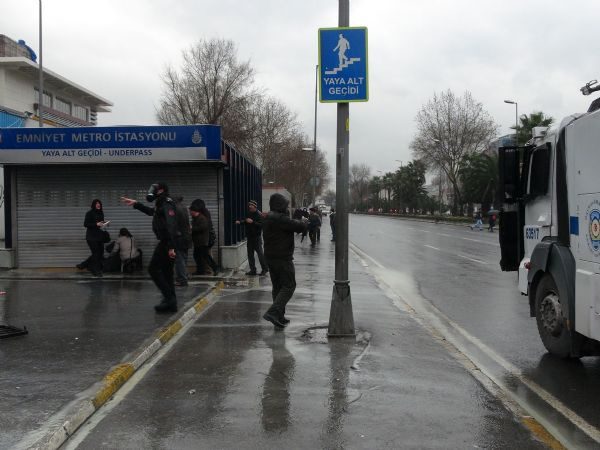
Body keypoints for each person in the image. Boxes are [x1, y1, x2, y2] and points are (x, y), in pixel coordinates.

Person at [121, 182, 178, 313]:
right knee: (167, 273)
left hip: (167, 242)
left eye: (155, 189)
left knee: (153, 269)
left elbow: (171, 225)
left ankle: (169, 299)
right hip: (167, 241)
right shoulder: (161, 203)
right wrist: (136, 204)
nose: (152, 191)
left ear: (161, 190)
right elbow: (151, 212)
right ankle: (171, 303)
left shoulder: (166, 203)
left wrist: (171, 247)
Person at [262, 193, 308, 328]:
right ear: (280, 205)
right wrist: (304, 222)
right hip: (282, 258)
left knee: (277, 287)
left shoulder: (269, 217)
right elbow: (298, 226)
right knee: (289, 286)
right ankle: (273, 312)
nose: (287, 207)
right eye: (285, 205)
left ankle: (279, 316)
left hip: (270, 257)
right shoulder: (280, 218)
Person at [236, 200, 268, 276]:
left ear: (255, 206)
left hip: (256, 238)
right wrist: (240, 222)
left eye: (251, 205)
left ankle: (265, 269)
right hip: (249, 237)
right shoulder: (249, 213)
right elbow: (247, 221)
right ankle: (253, 270)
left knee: (260, 254)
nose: (249, 206)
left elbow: (261, 225)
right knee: (250, 254)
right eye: (249, 205)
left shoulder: (259, 214)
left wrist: (252, 222)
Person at [80, 199, 109, 277]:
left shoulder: (101, 212)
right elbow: (86, 224)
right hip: (91, 237)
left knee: (100, 253)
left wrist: (105, 224)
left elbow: (101, 224)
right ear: (93, 205)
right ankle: (95, 270)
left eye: (99, 203)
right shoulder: (89, 213)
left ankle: (84, 265)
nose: (98, 204)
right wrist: (96, 224)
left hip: (100, 236)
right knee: (96, 254)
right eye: (96, 203)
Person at [190, 199, 219, 275]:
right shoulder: (197, 217)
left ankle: (214, 268)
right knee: (198, 256)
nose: (190, 212)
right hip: (198, 241)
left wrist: (192, 228)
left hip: (203, 240)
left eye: (191, 211)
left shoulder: (203, 216)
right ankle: (201, 270)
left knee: (206, 256)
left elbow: (203, 227)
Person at [174, 196, 192, 286]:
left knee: (179, 259)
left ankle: (182, 279)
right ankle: (184, 276)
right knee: (183, 258)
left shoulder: (176, 209)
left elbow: (174, 224)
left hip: (180, 238)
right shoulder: (184, 208)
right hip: (187, 237)